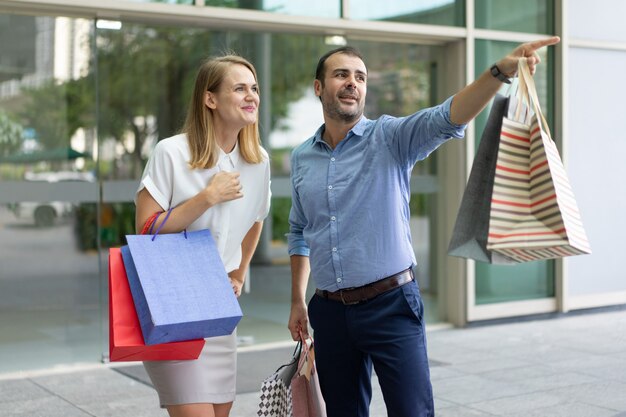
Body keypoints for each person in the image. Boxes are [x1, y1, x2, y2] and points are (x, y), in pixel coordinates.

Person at [287, 38, 560, 417]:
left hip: (391, 304)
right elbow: (300, 231)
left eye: (360, 77)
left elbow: (449, 115)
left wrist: (499, 72)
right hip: (330, 312)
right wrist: (298, 299)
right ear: (319, 87)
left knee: (412, 411)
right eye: (341, 75)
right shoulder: (302, 157)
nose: (352, 82)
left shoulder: (391, 137)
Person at [134, 54, 271, 417]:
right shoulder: (171, 152)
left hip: (219, 306)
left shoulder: (258, 161)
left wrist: (240, 271)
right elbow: (145, 228)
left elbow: (257, 218)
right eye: (239, 88)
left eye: (254, 88)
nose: (251, 96)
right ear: (210, 99)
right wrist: (206, 198)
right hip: (172, 301)